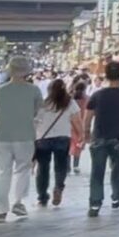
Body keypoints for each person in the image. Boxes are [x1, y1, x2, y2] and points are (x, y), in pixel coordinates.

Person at [0, 56, 43, 223]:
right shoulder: (34, 90)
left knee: (2, 172)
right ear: (26, 72)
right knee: (23, 169)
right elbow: (38, 112)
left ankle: (1, 210)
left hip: (1, 136)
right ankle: (18, 202)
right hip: (25, 136)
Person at [84, 61, 119, 217]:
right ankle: (117, 197)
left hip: (99, 136)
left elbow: (87, 117)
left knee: (97, 170)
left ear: (106, 75)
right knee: (117, 167)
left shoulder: (97, 95)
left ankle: (95, 203)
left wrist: (85, 133)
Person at [33, 78, 82, 207]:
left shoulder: (43, 103)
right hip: (63, 138)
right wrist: (81, 134)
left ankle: (42, 197)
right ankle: (58, 188)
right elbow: (76, 120)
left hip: (43, 138)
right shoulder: (70, 103)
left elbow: (35, 122)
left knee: (42, 168)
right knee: (61, 166)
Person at [70, 81, 89, 175]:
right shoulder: (87, 99)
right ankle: (76, 166)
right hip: (82, 123)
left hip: (70, 124)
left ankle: (67, 167)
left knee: (69, 145)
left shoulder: (70, 99)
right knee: (79, 145)